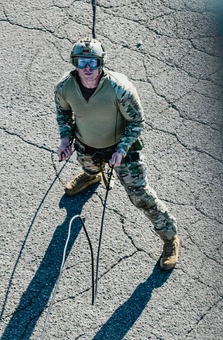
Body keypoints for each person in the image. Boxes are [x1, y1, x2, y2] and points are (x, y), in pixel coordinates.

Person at [55, 37, 180, 271]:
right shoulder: (64, 87)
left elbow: (136, 121)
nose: (88, 68)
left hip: (121, 150)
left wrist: (122, 150)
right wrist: (65, 138)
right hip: (86, 146)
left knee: (140, 195)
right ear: (75, 63)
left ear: (101, 62)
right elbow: (63, 114)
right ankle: (92, 176)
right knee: (89, 166)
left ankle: (169, 237)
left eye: (93, 62)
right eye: (82, 62)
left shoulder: (119, 88)